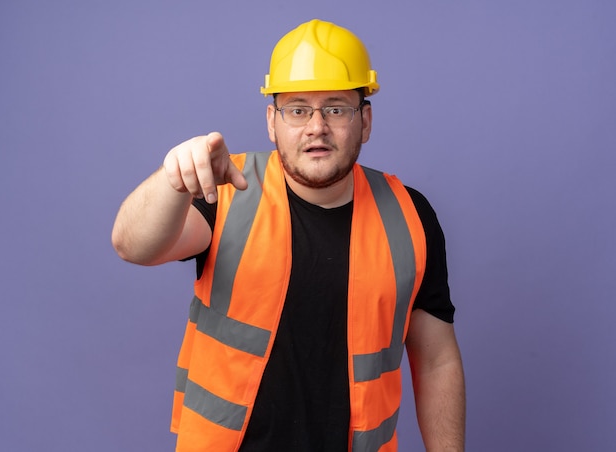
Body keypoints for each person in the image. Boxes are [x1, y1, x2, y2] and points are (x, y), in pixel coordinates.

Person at [112, 18, 465, 452]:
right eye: (298, 109)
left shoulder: (411, 214)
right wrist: (173, 180)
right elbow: (132, 245)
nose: (316, 126)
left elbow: (436, 361)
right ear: (271, 121)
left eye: (336, 107)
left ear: (365, 121)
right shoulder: (224, 189)